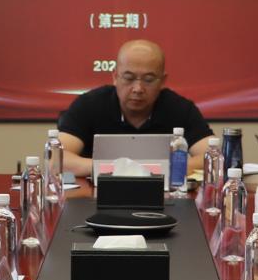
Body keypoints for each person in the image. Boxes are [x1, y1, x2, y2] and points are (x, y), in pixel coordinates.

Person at [55, 39, 214, 178]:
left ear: (162, 81)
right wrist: (116, 169)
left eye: (148, 80)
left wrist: (157, 169)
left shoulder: (180, 109)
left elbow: (212, 157)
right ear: (115, 77)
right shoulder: (90, 105)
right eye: (129, 78)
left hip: (163, 197)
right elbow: (56, 160)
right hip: (96, 196)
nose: (138, 88)